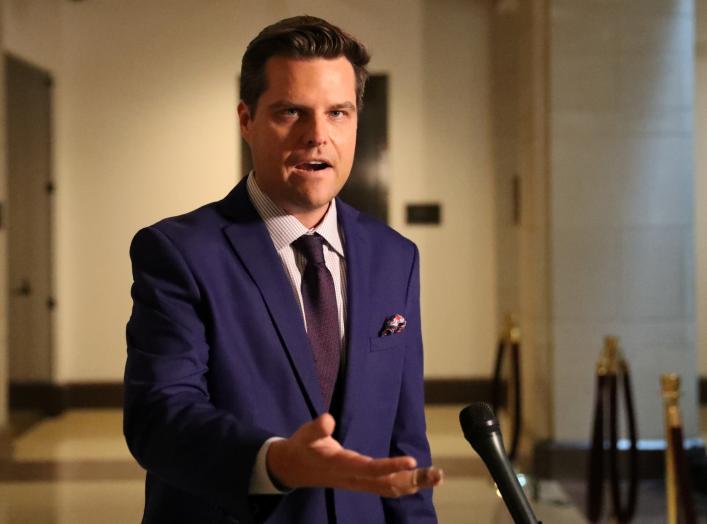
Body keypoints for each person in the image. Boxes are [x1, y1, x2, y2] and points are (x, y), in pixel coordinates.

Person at [124, 15, 441, 524]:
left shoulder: (394, 256)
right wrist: (273, 462)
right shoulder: (178, 253)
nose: (318, 135)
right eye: (291, 112)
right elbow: (159, 419)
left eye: (338, 112)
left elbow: (405, 448)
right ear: (246, 120)